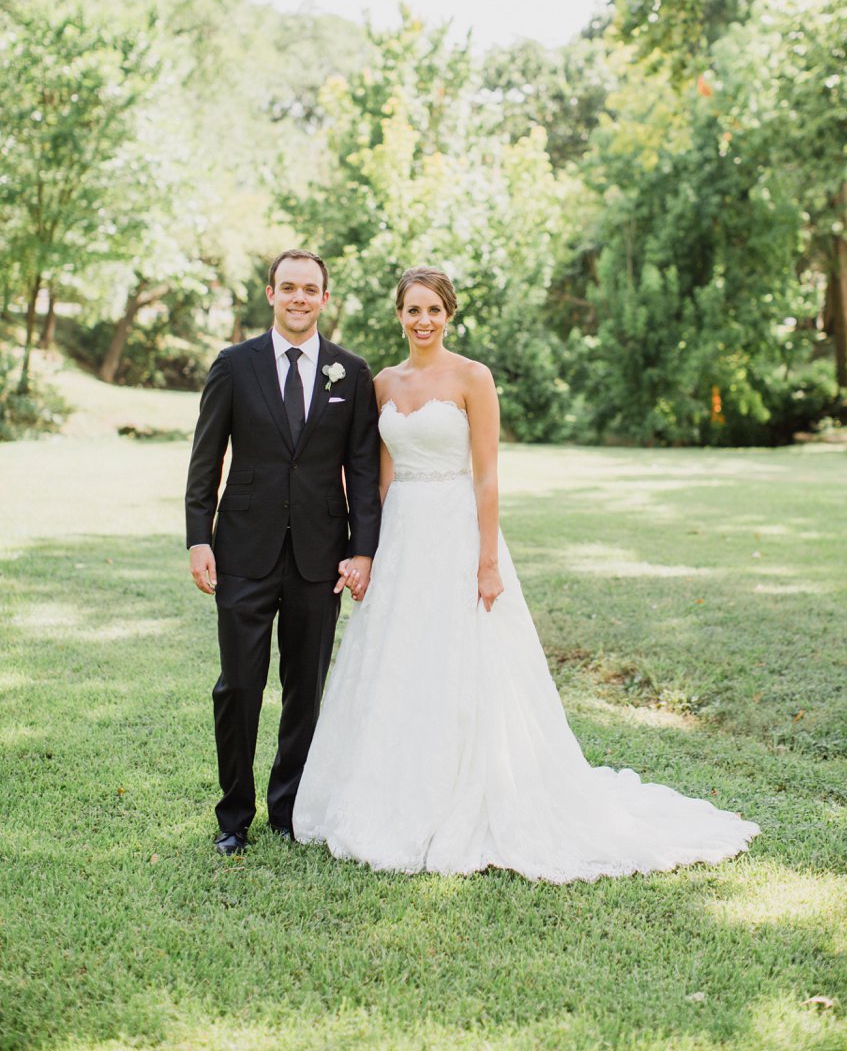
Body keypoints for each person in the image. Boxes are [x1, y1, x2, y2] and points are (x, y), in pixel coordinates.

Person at [292, 266, 759, 881]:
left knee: (467, 660)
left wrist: (487, 560)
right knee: (398, 658)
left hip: (458, 529)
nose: (423, 320)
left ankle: (477, 792)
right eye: (413, 310)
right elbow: (377, 478)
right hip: (403, 534)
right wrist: (368, 550)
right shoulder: (381, 383)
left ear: (449, 314)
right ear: (398, 315)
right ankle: (392, 790)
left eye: (434, 309)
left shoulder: (472, 378)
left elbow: (486, 473)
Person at [185, 249, 381, 855]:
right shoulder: (233, 365)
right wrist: (198, 537)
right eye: (288, 287)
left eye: (310, 289)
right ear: (270, 293)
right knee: (239, 686)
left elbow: (362, 469)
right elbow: (206, 457)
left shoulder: (351, 372)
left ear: (325, 299)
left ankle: (287, 809)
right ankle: (233, 817)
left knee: (305, 689)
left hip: (319, 558)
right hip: (242, 548)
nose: (300, 298)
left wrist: (363, 551)